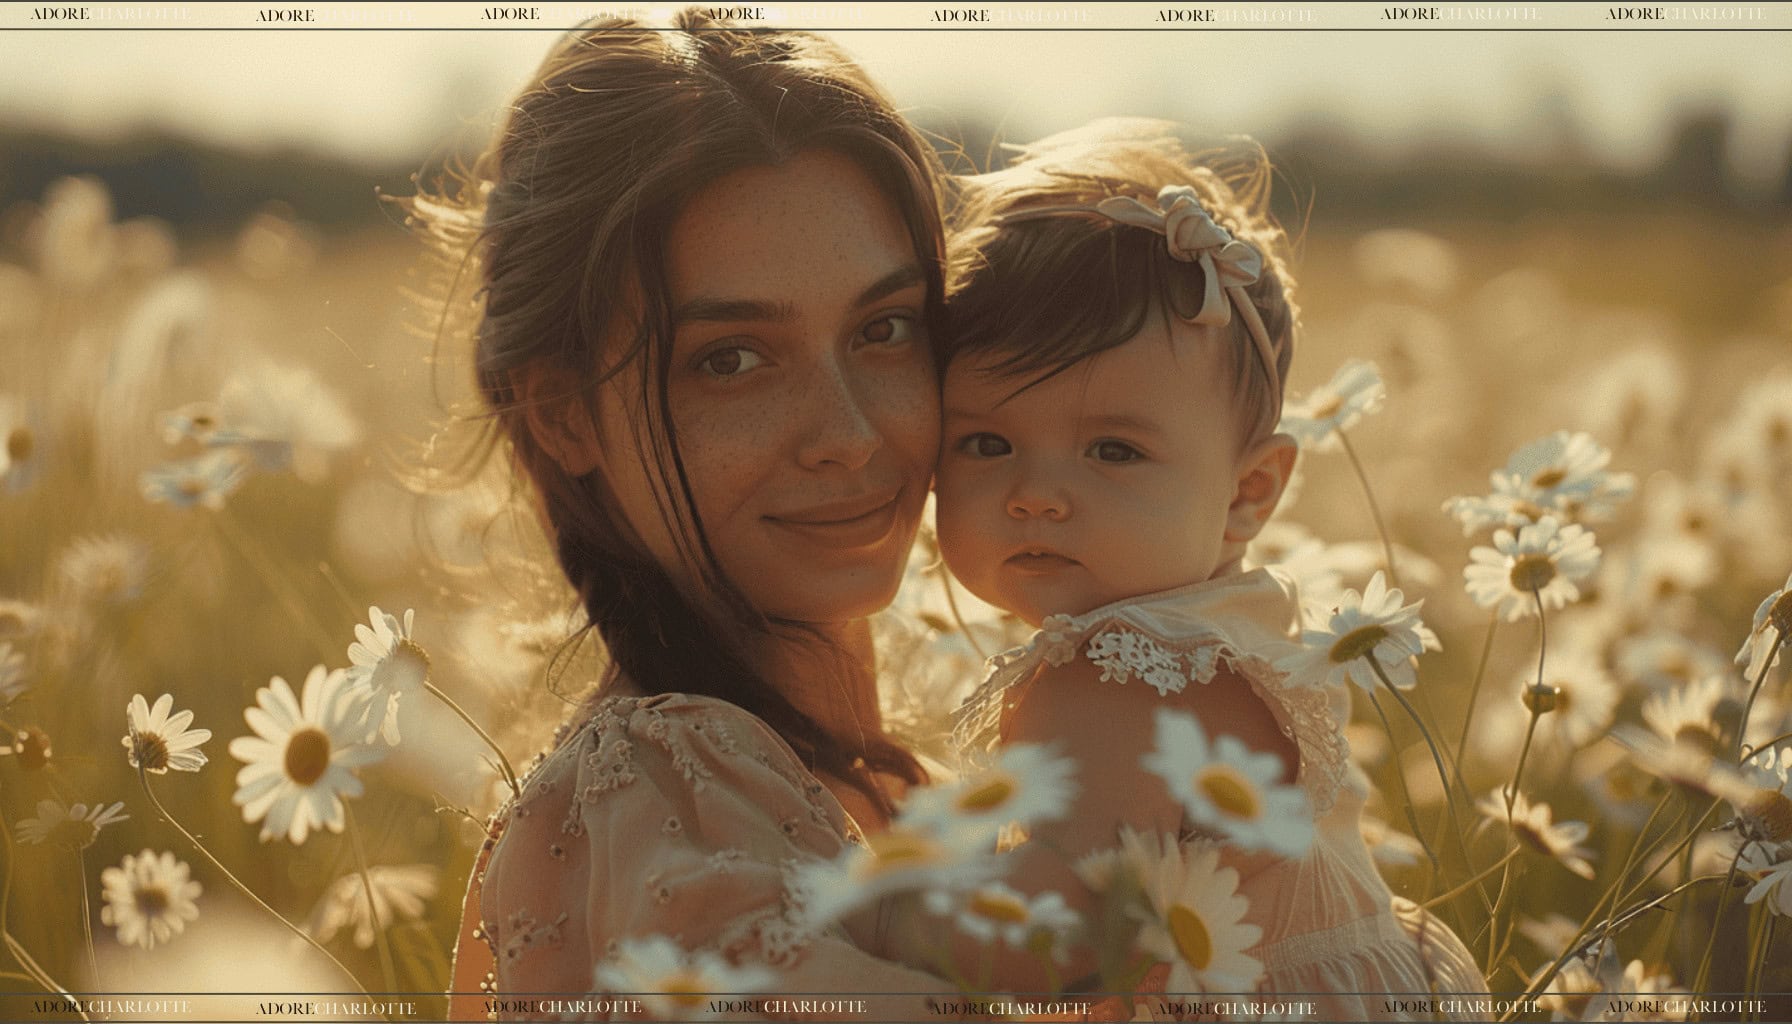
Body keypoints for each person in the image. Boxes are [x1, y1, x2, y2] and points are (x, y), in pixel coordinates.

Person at [424, 11, 962, 1020]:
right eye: (731, 359)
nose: (846, 434)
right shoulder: (660, 804)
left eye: (884, 329)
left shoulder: (847, 776)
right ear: (563, 412)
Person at [917, 122, 1488, 1016]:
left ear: (1248, 493)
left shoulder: (1112, 677)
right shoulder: (1235, 627)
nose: (1035, 494)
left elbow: (1054, 949)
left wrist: (860, 910)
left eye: (1112, 450)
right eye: (986, 441)